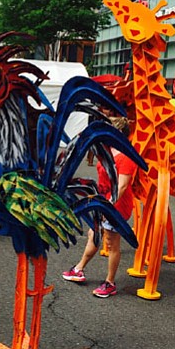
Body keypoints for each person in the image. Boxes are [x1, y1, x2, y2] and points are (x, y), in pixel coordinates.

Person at [61, 117, 136, 298]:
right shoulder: (108, 152)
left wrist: (107, 207)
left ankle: (110, 283)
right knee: (93, 235)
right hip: (102, 203)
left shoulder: (126, 157)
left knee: (111, 243)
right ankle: (79, 269)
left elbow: (123, 186)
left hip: (115, 207)